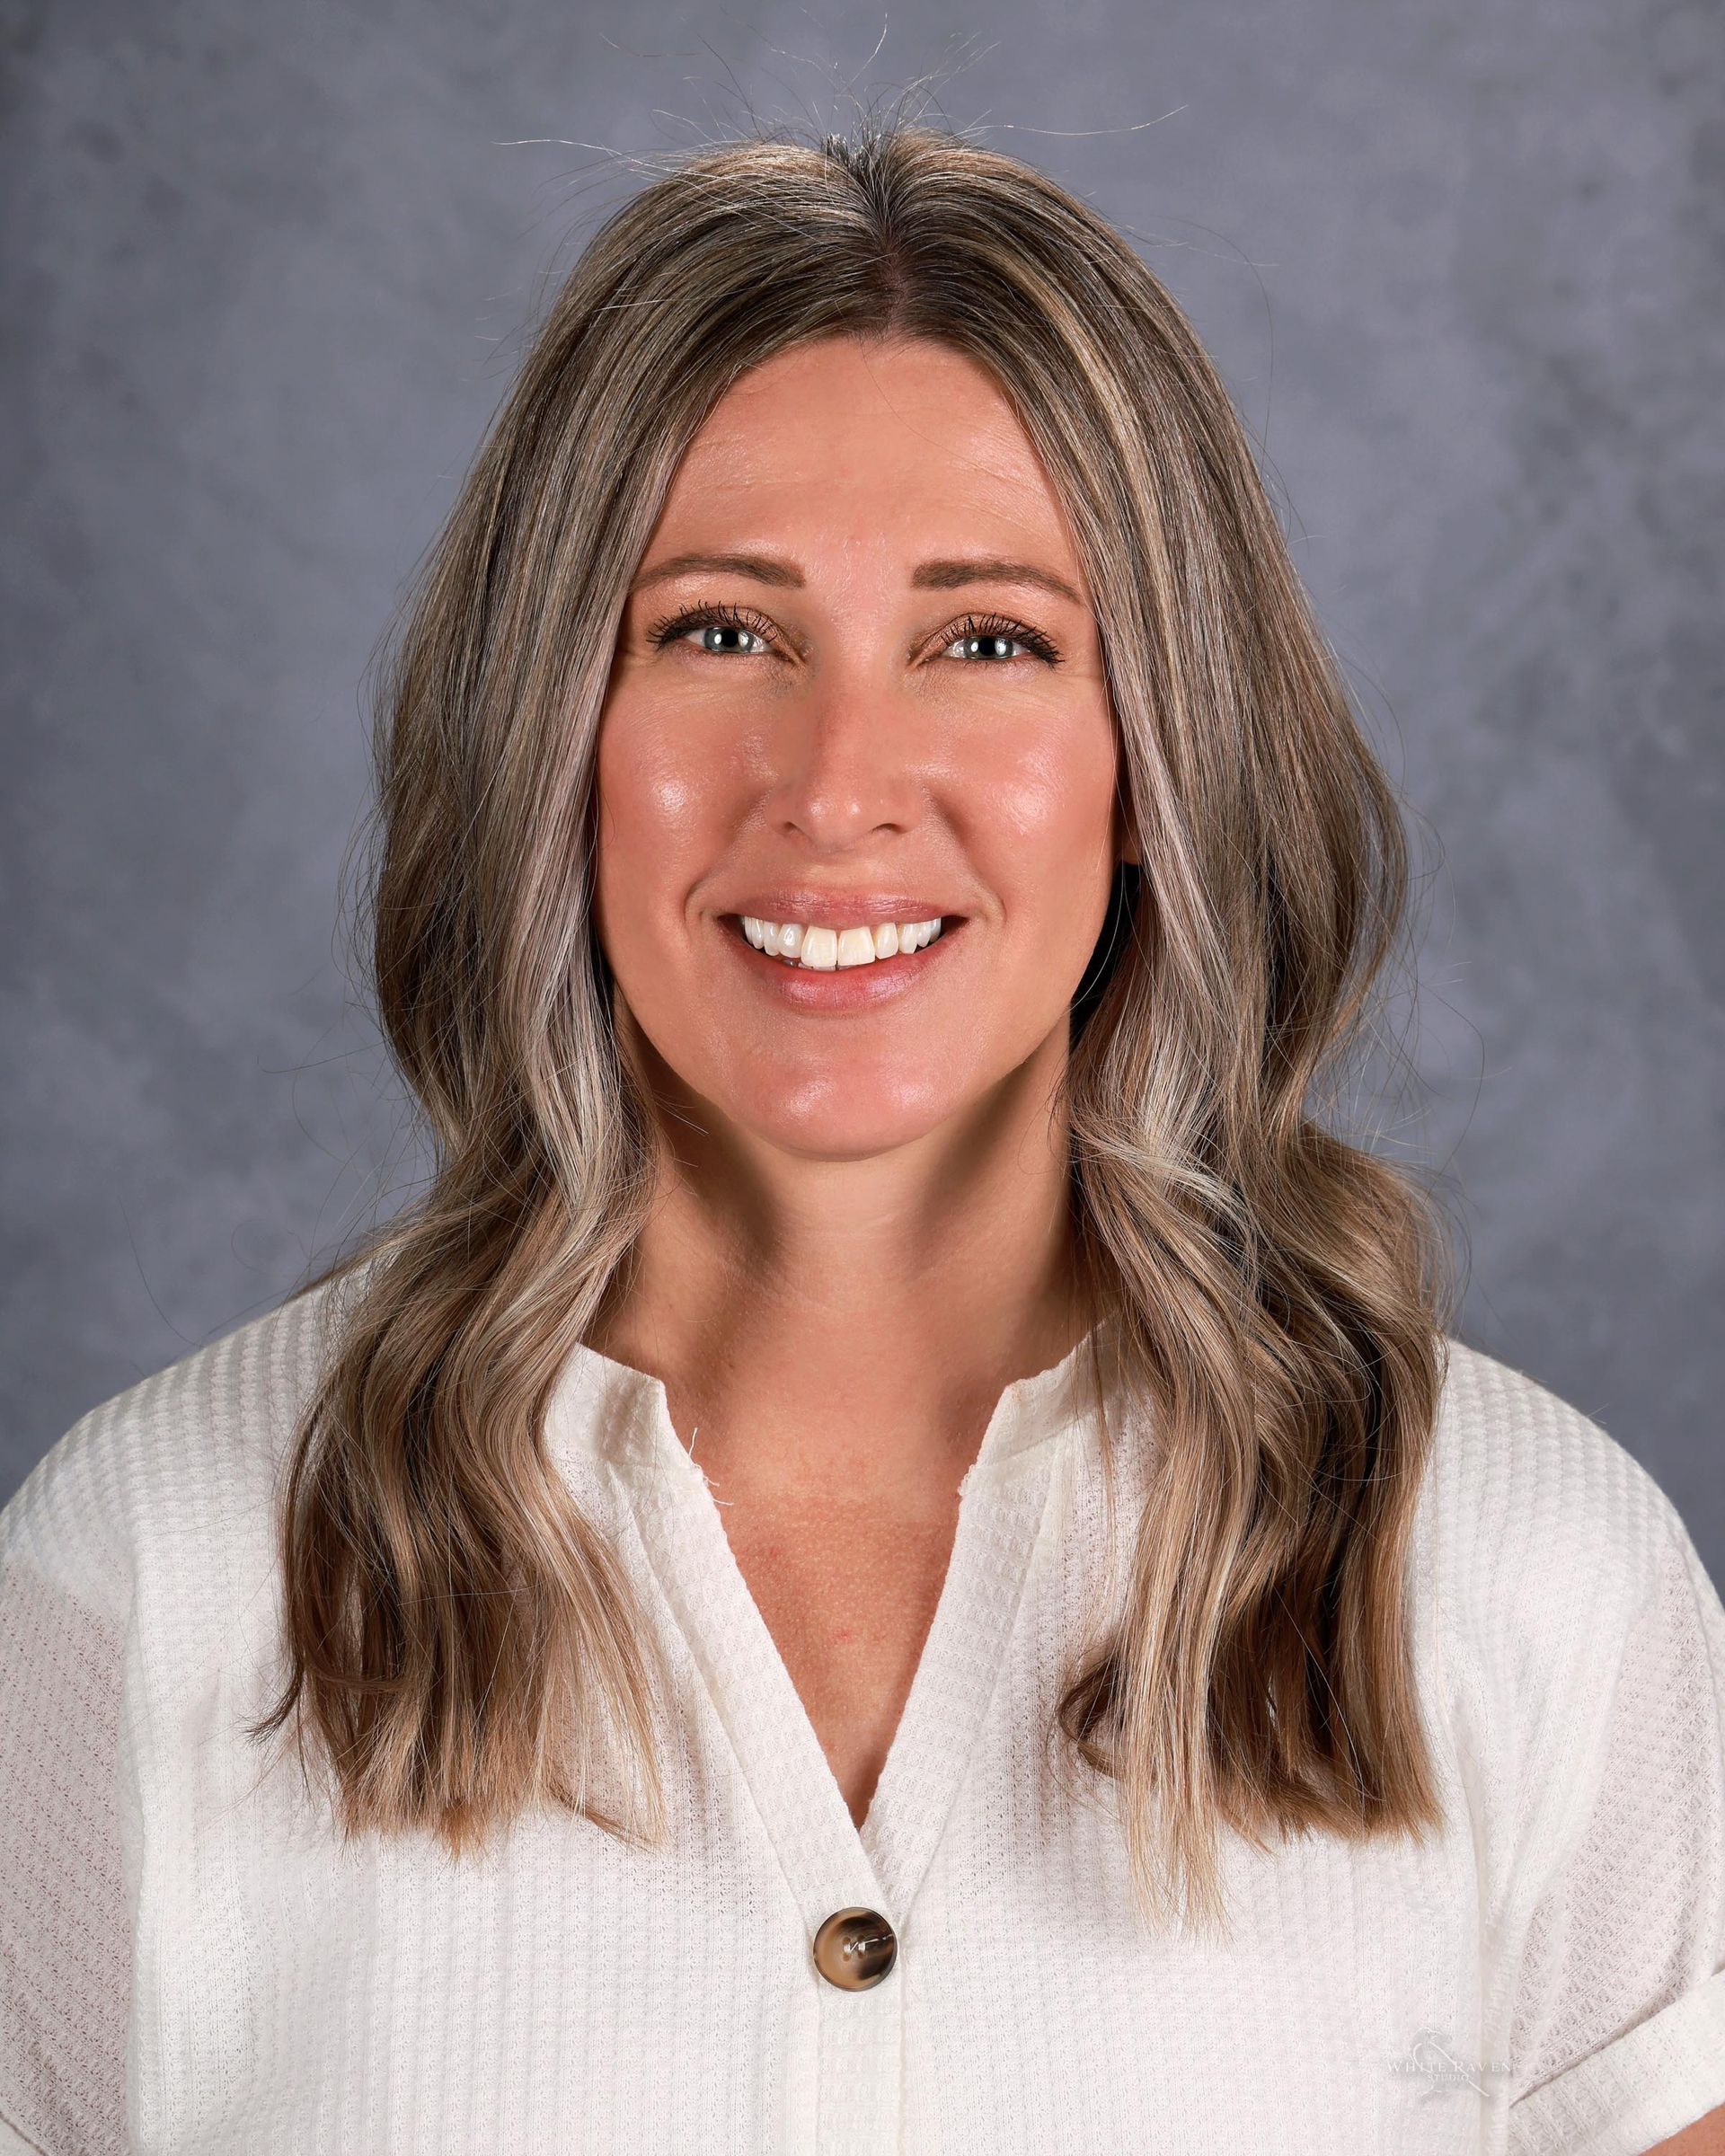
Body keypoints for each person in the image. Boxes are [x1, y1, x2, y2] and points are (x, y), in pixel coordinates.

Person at [3, 116, 1722, 2156]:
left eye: (988, 640)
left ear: (1154, 759)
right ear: (550, 731)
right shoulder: (145, 1579)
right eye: (720, 632)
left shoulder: (1527, 1583)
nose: (839, 786)